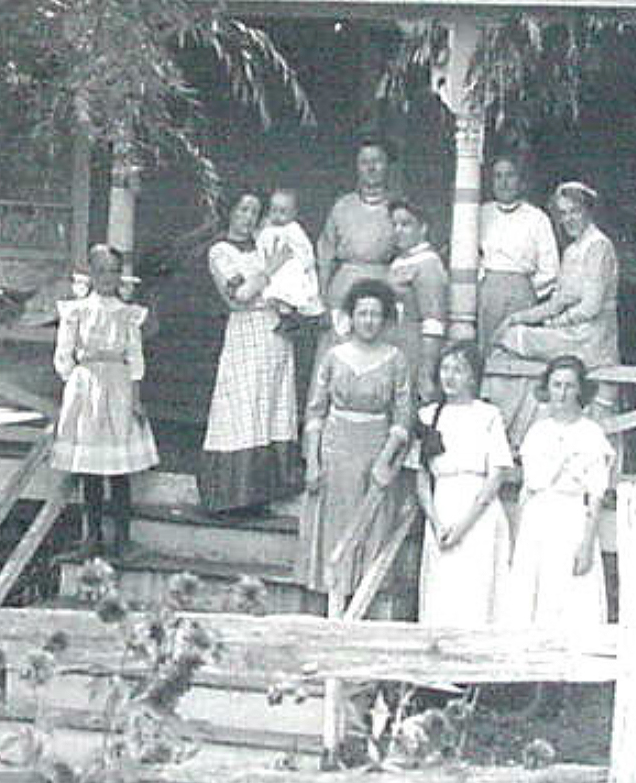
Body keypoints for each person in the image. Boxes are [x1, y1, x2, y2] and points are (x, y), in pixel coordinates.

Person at [297, 280, 414, 604]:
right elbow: (315, 412)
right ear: (351, 316)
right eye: (362, 313)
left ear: (385, 318)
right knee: (334, 523)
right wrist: (313, 461)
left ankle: (363, 599)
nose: (369, 320)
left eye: (376, 314)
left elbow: (403, 418)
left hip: (375, 448)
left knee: (370, 523)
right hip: (336, 448)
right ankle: (331, 600)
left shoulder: (396, 359)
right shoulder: (334, 356)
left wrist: (384, 461)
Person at [50, 244, 159, 559]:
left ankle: (122, 539)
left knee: (119, 468)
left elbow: (135, 356)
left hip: (119, 387)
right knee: (91, 469)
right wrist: (75, 384)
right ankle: (92, 538)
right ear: (91, 273)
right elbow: (64, 353)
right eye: (101, 271)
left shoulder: (127, 313)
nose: (107, 277)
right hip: (88, 387)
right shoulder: (78, 309)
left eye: (114, 271)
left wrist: (135, 395)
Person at [489, 179, 621, 439]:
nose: (569, 219)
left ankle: (511, 429)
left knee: (512, 341)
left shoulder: (598, 246)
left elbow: (591, 307)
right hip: (572, 335)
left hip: (592, 339)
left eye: (575, 211)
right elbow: (558, 302)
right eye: (563, 213)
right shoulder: (572, 250)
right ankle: (517, 426)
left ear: (588, 212)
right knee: (508, 339)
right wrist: (519, 317)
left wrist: (554, 325)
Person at [197, 190, 301, 513]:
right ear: (230, 211)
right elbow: (240, 294)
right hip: (246, 331)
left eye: (255, 211)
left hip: (276, 333)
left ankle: (262, 495)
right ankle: (233, 497)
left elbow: (292, 277)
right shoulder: (220, 252)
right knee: (242, 407)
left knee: (272, 406)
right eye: (243, 209)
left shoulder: (265, 243)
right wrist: (270, 270)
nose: (249, 217)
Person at [502, 356, 615, 630]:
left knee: (570, 596)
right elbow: (527, 491)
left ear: (580, 390)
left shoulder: (591, 434)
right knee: (532, 594)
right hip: (538, 520)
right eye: (556, 385)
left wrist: (587, 544)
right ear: (547, 389)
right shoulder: (537, 433)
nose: (562, 394)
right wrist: (518, 538)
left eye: (569, 386)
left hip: (572, 519)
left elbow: (596, 494)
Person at [408, 346, 513, 628]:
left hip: (478, 509)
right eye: (445, 369)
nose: (450, 377)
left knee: (476, 588)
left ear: (472, 377)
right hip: (442, 507)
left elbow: (496, 475)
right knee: (442, 587)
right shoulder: (429, 415)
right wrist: (436, 522)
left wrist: (464, 525)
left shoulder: (488, 415)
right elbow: (421, 476)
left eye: (458, 370)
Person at [315, 136, 402, 342]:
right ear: (357, 167)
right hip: (343, 289)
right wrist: (323, 299)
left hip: (383, 288)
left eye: (377, 161)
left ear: (387, 166)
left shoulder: (398, 207)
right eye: (364, 162)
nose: (371, 168)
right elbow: (325, 256)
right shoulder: (342, 206)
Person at [476, 155, 559, 348]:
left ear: (520, 181)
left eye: (510, 176)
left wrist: (527, 291)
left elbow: (550, 268)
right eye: (498, 176)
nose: (504, 183)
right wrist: (483, 281)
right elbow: (470, 253)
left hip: (522, 293)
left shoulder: (537, 218)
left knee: (514, 348)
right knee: (487, 349)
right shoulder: (481, 213)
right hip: (488, 291)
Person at [385, 197, 450, 402]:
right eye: (394, 225)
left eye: (405, 224)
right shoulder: (399, 261)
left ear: (422, 228)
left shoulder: (428, 264)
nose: (398, 230)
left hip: (415, 347)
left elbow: (434, 321)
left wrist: (426, 371)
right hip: (394, 344)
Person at [256, 187, 324, 334]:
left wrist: (306, 264)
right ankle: (286, 318)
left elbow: (305, 248)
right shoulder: (266, 229)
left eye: (283, 212)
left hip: (291, 268)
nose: (277, 216)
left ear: (293, 214)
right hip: (273, 268)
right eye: (274, 210)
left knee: (292, 293)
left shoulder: (293, 229)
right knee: (276, 294)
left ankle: (296, 318)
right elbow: (261, 246)